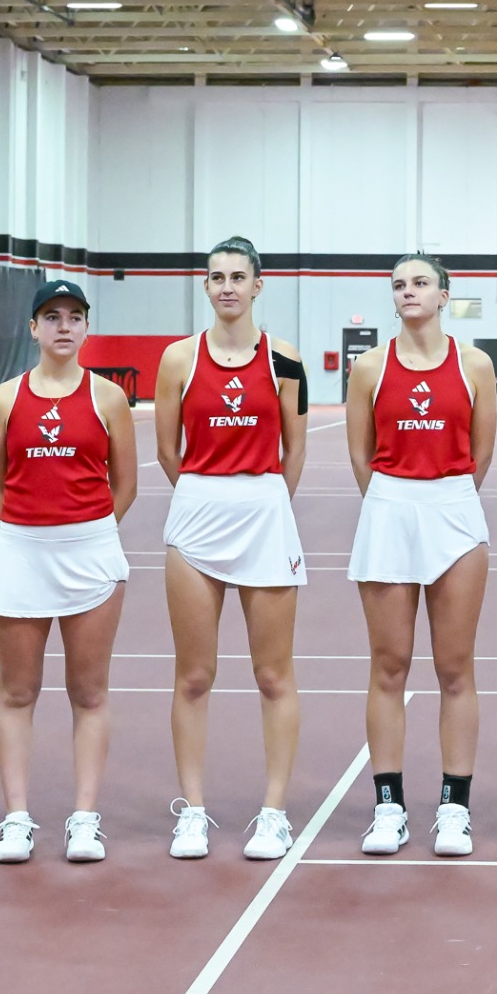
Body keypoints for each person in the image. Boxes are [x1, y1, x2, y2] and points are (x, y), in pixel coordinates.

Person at [153, 236, 310, 861]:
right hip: (197, 512)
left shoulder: (286, 359)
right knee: (194, 675)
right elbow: (169, 449)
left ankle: (273, 812)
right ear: (206, 286)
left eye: (238, 277)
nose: (226, 287)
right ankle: (192, 812)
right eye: (216, 277)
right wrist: (203, 495)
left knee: (273, 674)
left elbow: (295, 449)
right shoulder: (177, 359)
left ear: (258, 285)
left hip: (264, 512)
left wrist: (267, 500)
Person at [0, 280, 138, 863]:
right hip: (22, 550)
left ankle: (84, 820)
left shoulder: (108, 399)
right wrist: (33, 528)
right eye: (52, 317)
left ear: (86, 327)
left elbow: (126, 485)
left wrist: (85, 529)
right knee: (18, 691)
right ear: (33, 328)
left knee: (89, 692)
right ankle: (17, 819)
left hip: (91, 550)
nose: (63, 326)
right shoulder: (3, 399)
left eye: (74, 317)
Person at [344, 254, 497, 857]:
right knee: (389, 665)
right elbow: (361, 454)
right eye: (399, 285)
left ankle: (455, 807)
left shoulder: (475, 364)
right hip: (388, 505)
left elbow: (480, 452)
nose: (409, 292)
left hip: (454, 505)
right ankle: (389, 807)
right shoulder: (370, 367)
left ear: (444, 294)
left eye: (421, 283)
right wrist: (394, 501)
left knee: (455, 668)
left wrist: (445, 499)